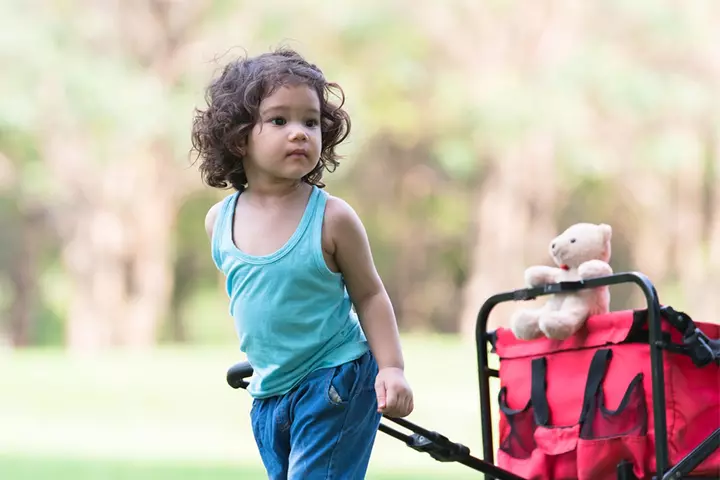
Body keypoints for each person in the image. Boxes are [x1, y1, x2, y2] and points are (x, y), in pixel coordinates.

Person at [190, 47, 414, 479]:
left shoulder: (332, 218)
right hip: (269, 392)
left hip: (334, 378)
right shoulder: (219, 221)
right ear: (238, 137)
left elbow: (369, 295)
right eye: (279, 120)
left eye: (310, 122)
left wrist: (391, 368)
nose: (299, 133)